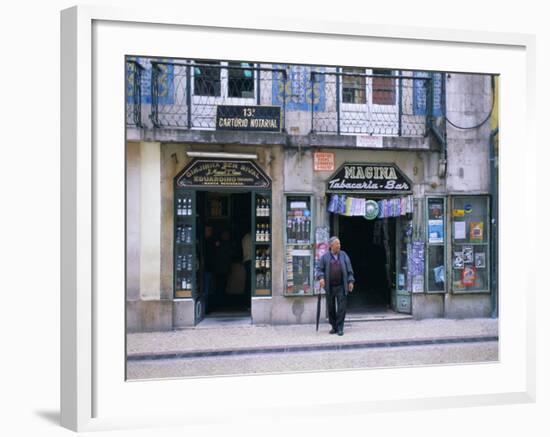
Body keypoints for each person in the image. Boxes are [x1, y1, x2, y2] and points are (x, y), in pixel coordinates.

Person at [315, 236, 355, 336]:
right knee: (331, 307)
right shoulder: (325, 257)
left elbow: (349, 270)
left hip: (341, 286)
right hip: (330, 286)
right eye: (337, 244)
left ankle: (340, 327)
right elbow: (319, 270)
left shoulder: (344, 255)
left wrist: (350, 281)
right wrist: (321, 278)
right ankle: (334, 326)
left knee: (342, 307)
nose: (339, 245)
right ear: (331, 246)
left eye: (339, 244)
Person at [241, 232, 252, 305]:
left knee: (248, 281)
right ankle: (247, 302)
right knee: (250, 282)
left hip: (246, 260)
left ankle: (247, 301)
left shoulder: (244, 238)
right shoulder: (249, 237)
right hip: (250, 260)